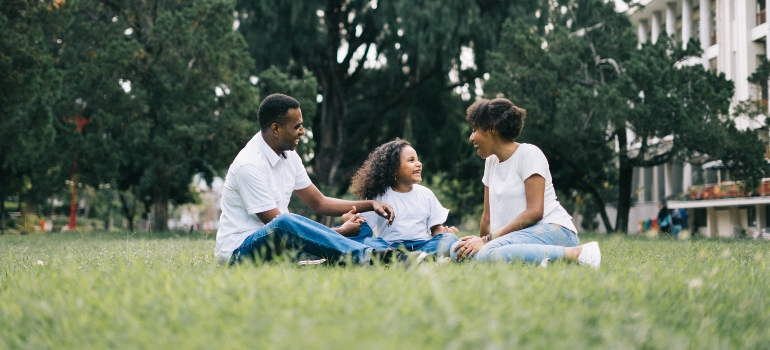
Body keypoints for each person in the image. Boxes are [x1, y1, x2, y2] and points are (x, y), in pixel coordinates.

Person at [215, 93, 415, 266]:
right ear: (275, 129)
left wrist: (371, 205)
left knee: (360, 229)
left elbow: (319, 203)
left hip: (280, 245)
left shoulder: (289, 156)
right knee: (284, 221)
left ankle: (397, 254)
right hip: (240, 251)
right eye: (297, 127)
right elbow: (281, 228)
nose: (302, 131)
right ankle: (369, 256)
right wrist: (339, 231)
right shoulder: (249, 165)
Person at [450, 98, 601, 268]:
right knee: (457, 252)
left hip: (552, 230)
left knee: (489, 252)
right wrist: (477, 244)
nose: (471, 137)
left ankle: (578, 253)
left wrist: (487, 241)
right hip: (515, 238)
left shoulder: (529, 154)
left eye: (474, 129)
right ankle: (539, 260)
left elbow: (535, 212)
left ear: (491, 129)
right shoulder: (491, 162)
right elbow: (487, 218)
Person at [341, 139, 460, 257]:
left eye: (417, 160)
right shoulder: (379, 197)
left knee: (450, 239)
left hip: (422, 245)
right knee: (369, 242)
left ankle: (415, 257)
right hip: (390, 247)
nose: (418, 164)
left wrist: (443, 234)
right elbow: (363, 226)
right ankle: (402, 257)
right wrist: (348, 217)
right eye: (411, 160)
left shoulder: (426, 194)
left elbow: (435, 228)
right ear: (393, 170)